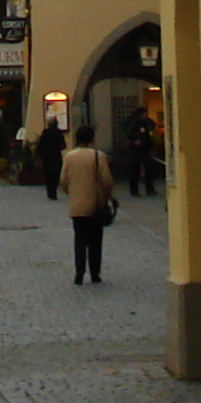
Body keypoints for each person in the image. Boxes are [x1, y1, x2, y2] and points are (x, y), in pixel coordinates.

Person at [62, 124, 114, 285]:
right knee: (95, 241)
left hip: (77, 205)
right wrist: (106, 196)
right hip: (95, 205)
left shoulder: (69, 157)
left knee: (79, 240)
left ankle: (79, 273)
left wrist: (72, 193)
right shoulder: (98, 156)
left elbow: (63, 181)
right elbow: (106, 180)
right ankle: (95, 273)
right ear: (91, 138)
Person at [122, 106, 162, 199]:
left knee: (148, 169)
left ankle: (150, 189)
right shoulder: (134, 124)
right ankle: (134, 190)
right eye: (144, 113)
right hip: (136, 150)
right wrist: (135, 141)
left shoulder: (145, 123)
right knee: (135, 170)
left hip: (145, 149)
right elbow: (129, 135)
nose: (146, 115)